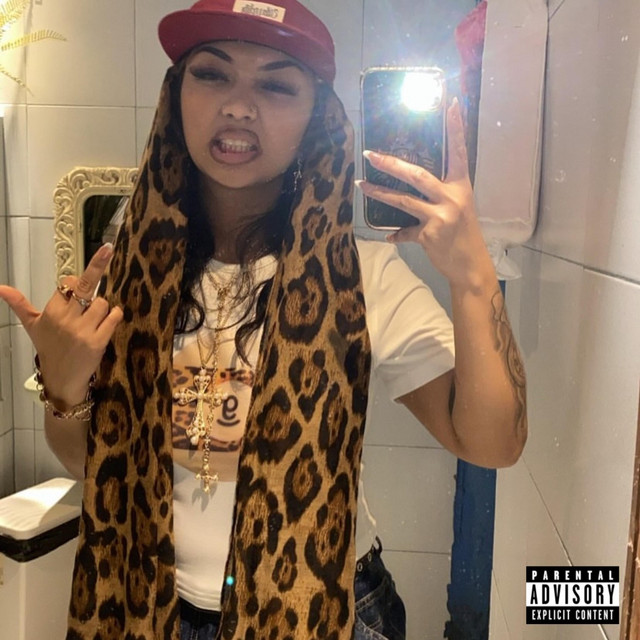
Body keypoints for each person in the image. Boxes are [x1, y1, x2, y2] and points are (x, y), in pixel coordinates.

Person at [0, 1, 527, 638]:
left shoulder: (360, 277)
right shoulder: (127, 278)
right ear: (175, 97)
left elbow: (492, 443)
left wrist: (472, 275)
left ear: (316, 119)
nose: (239, 105)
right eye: (211, 74)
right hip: (152, 610)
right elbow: (90, 466)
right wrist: (63, 390)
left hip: (326, 609)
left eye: (276, 86)